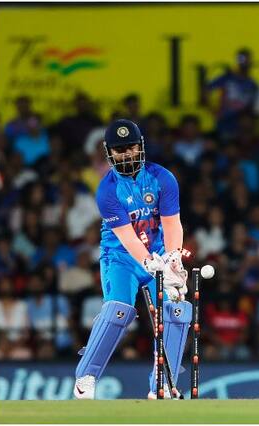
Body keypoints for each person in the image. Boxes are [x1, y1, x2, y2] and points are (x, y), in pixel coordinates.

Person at [73, 119, 192, 400]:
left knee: (177, 309)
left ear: (141, 147)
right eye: (119, 150)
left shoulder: (163, 178)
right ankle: (86, 376)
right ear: (109, 153)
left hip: (160, 255)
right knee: (119, 310)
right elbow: (127, 237)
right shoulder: (107, 190)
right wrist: (149, 262)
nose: (126, 154)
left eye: (131, 147)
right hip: (121, 258)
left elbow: (172, 224)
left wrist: (173, 260)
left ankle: (163, 383)